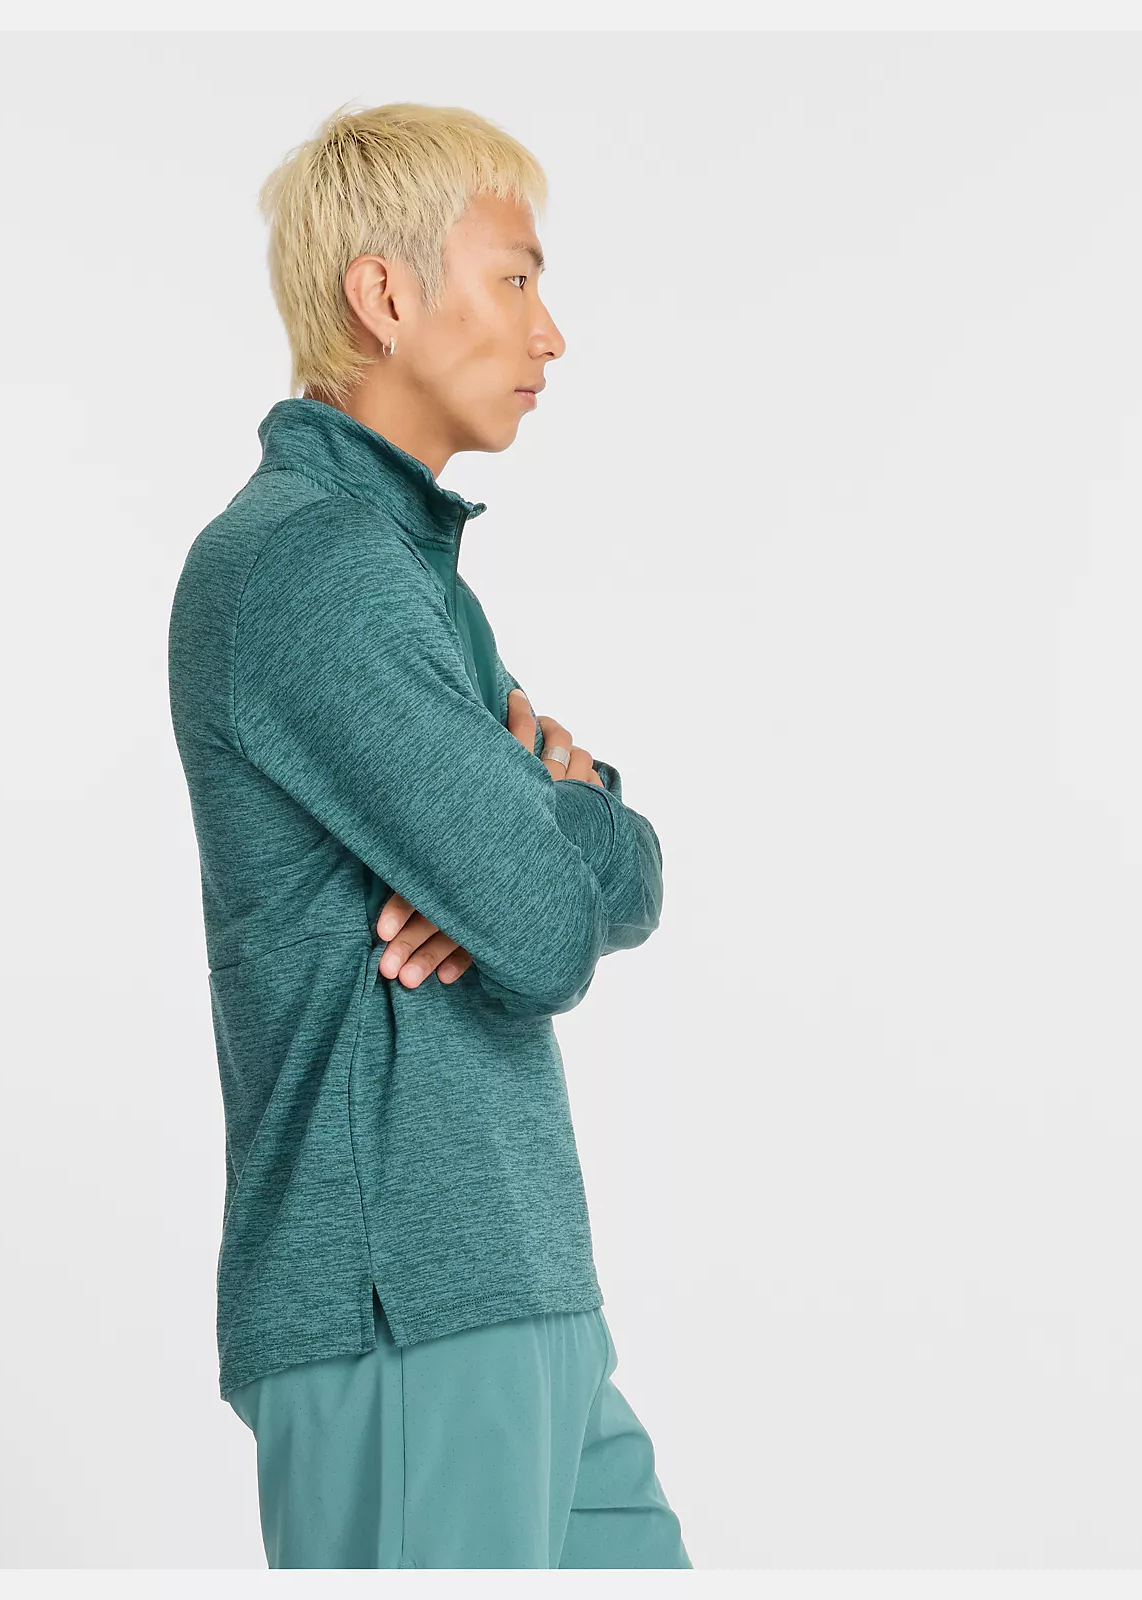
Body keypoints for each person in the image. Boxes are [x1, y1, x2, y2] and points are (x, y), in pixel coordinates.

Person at [166, 100, 692, 1570]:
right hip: (401, 1303)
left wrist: (554, 818)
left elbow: (618, 875)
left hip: (518, 1290)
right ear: (386, 296)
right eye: (515, 280)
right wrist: (531, 842)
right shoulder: (308, 568)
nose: (550, 335)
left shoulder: (410, 574)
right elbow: (545, 924)